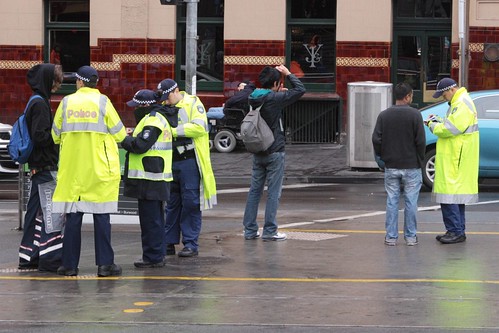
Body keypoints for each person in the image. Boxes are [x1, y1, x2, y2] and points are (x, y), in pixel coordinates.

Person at [51, 65, 127, 276]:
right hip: (98, 169)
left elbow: (55, 135)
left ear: (80, 82)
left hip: (73, 171)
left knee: (74, 217)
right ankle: (105, 265)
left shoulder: (66, 103)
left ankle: (69, 265)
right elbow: (119, 133)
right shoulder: (103, 102)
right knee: (101, 216)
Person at [242, 64, 305, 241]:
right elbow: (300, 90)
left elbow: (269, 98)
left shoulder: (254, 97)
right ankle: (269, 230)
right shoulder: (275, 98)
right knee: (273, 193)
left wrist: (278, 92)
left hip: (257, 149)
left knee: (254, 190)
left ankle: (249, 230)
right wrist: (289, 73)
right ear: (277, 82)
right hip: (274, 151)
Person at [157, 79, 217, 257]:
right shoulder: (163, 105)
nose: (166, 101)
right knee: (172, 203)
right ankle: (169, 242)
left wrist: (173, 130)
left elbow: (200, 127)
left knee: (191, 202)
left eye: (167, 97)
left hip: (189, 160)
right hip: (170, 160)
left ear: (176, 91)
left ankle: (190, 244)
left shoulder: (192, 103)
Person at [121, 89, 178, 268]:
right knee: (155, 219)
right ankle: (156, 254)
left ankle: (152, 257)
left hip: (150, 178)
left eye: (136, 106)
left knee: (150, 221)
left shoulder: (153, 120)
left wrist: (123, 139)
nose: (134, 110)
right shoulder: (157, 118)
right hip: (154, 177)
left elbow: (141, 145)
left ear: (144, 106)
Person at [18, 63, 64, 272]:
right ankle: (49, 258)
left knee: (35, 212)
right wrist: (57, 138)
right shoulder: (41, 105)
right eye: (55, 82)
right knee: (50, 214)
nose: (57, 86)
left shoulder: (34, 101)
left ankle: (29, 255)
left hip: (38, 167)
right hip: (44, 166)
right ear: (47, 80)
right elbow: (40, 135)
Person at [425, 78, 479, 244]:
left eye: (443, 94)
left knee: (448, 196)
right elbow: (454, 125)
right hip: (457, 155)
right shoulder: (460, 102)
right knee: (455, 197)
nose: (443, 97)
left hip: (455, 156)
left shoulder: (461, 104)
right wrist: (439, 120)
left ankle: (455, 231)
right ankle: (457, 230)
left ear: (451, 89)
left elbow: (451, 129)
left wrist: (432, 125)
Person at [372, 83, 426, 246]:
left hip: (391, 164)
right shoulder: (415, 115)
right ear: (408, 96)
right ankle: (410, 237)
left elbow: (376, 139)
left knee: (392, 200)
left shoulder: (384, 115)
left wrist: (382, 157)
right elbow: (421, 141)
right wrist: (419, 159)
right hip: (411, 165)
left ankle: (391, 237)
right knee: (411, 202)